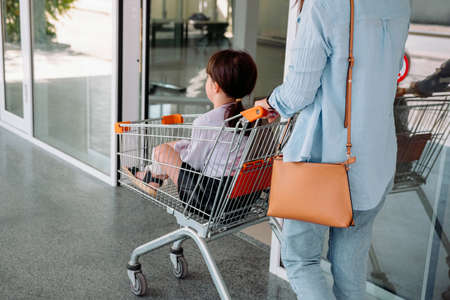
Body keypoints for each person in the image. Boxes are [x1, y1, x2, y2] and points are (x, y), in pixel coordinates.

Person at [255, 0, 410, 299]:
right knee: (350, 269)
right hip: (375, 160)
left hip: (322, 162)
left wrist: (272, 104)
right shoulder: (401, 3)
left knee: (302, 261)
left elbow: (299, 91)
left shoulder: (324, 5)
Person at [124, 49, 258, 215]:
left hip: (208, 198)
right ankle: (152, 177)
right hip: (240, 198)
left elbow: (192, 164)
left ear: (215, 86)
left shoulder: (207, 123)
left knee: (161, 150)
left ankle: (152, 176)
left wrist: (176, 152)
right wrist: (181, 146)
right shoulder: (250, 120)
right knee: (177, 146)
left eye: (208, 77)